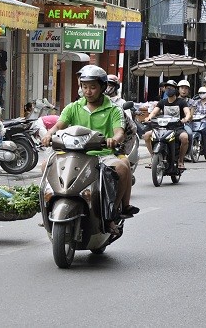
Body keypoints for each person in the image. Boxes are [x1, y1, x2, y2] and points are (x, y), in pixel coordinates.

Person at [40, 65, 137, 235]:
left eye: (92, 87)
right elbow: (58, 126)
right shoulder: (73, 107)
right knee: (45, 165)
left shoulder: (114, 109)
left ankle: (112, 213)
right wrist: (48, 135)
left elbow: (119, 132)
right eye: (85, 86)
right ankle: (48, 206)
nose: (88, 91)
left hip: (102, 155)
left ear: (102, 87)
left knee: (123, 166)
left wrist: (113, 140)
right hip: (73, 154)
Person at [143, 80, 191, 170]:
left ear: (175, 90)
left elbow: (187, 112)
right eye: (167, 88)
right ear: (164, 89)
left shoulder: (181, 102)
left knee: (185, 137)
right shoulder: (162, 102)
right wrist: (148, 118)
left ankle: (180, 160)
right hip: (162, 128)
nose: (169, 89)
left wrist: (186, 118)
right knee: (147, 135)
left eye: (171, 88)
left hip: (177, 128)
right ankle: (153, 157)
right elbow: (154, 112)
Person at [189, 86, 206, 153]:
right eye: (200, 93)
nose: (202, 94)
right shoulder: (196, 102)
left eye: (203, 93)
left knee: (205, 128)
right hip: (197, 121)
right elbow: (192, 110)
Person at [177, 79, 194, 156]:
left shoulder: (191, 102)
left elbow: (190, 116)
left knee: (189, 133)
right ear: (178, 89)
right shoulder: (174, 100)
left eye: (186, 88)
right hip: (174, 123)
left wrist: (186, 119)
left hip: (186, 124)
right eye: (182, 88)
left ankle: (187, 152)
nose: (184, 90)